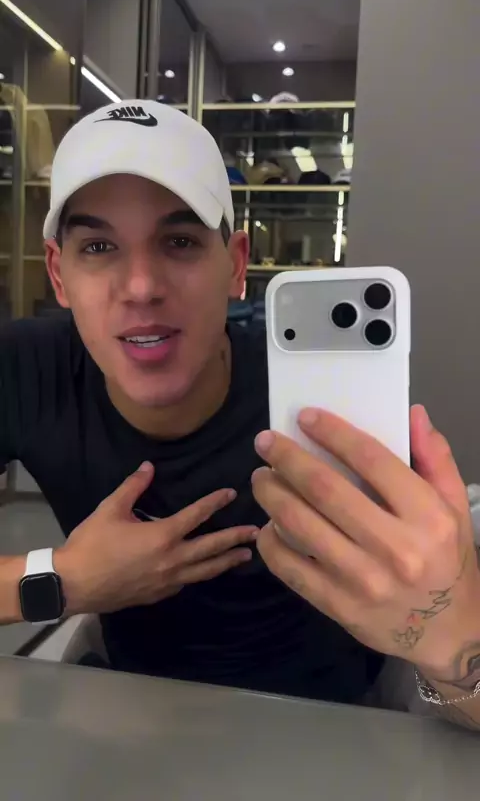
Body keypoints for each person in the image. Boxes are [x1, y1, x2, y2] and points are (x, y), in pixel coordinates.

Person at [1, 100, 479, 730]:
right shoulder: (25, 368)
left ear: (235, 265)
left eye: (179, 242)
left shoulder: (319, 397)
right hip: (130, 714)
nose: (141, 287)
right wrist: (62, 580)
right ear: (59, 275)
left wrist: (452, 632)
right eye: (98, 246)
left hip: (340, 719)